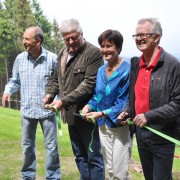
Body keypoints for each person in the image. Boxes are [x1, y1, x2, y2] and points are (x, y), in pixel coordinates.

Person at [118, 18, 180, 180]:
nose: (139, 39)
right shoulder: (135, 64)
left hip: (162, 134)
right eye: (136, 35)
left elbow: (178, 103)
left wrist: (148, 116)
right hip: (141, 134)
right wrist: (127, 111)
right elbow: (134, 97)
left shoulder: (172, 65)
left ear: (156, 37)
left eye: (143, 35)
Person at [43, 18, 105, 180]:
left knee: (94, 158)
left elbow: (88, 84)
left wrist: (63, 102)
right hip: (71, 117)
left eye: (74, 37)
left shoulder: (93, 53)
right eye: (66, 38)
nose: (70, 41)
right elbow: (56, 78)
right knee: (79, 156)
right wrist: (49, 94)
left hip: (88, 116)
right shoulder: (62, 53)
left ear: (81, 34)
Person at [2, 26, 61, 180]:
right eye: (23, 38)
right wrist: (8, 91)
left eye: (27, 39)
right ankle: (28, 176)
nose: (24, 42)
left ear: (38, 41)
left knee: (52, 147)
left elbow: (59, 84)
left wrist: (59, 102)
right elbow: (14, 81)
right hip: (27, 111)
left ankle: (53, 177)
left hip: (47, 111)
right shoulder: (20, 59)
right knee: (27, 147)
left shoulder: (53, 59)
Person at [82, 29, 131, 180]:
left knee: (120, 172)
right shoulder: (101, 70)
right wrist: (89, 106)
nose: (105, 50)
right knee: (110, 169)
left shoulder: (127, 70)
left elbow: (122, 102)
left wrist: (101, 113)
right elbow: (98, 96)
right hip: (102, 126)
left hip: (119, 127)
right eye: (102, 46)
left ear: (119, 48)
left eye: (109, 46)